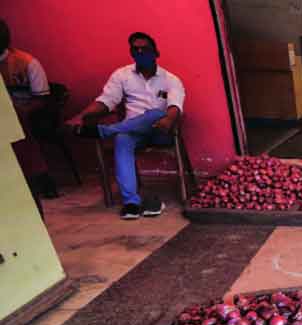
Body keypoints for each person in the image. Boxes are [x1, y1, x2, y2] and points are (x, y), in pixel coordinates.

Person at [67, 31, 183, 219]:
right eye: (135, 50)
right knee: (122, 138)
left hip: (160, 130)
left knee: (154, 113)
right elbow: (106, 101)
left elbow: (175, 107)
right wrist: (82, 116)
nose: (140, 53)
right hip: (132, 131)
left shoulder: (171, 79)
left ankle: (104, 131)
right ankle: (131, 202)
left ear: (156, 53)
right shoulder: (122, 75)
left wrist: (168, 119)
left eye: (144, 49)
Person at [0, 18, 59, 205]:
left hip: (28, 114)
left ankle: (37, 177)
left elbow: (41, 99)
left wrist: (20, 111)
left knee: (15, 120)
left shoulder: (27, 62)